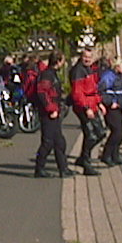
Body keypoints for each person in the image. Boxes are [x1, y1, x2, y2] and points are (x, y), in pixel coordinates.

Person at [32, 50, 72, 178]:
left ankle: (63, 169)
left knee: (59, 142)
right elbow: (42, 93)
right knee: (47, 142)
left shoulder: (51, 74)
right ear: (58, 61)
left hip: (53, 112)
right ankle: (39, 168)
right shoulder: (47, 75)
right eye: (62, 60)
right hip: (48, 114)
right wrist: (51, 109)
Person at [69, 47, 104, 176]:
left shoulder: (89, 69)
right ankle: (86, 163)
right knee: (91, 135)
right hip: (84, 107)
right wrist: (86, 108)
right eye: (85, 57)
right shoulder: (78, 71)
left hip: (92, 104)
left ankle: (83, 158)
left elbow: (93, 89)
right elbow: (77, 93)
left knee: (100, 133)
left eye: (89, 57)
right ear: (81, 57)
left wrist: (99, 103)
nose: (87, 59)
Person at [97, 57, 122, 166]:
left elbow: (119, 92)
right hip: (111, 109)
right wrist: (110, 102)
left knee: (120, 133)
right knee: (116, 132)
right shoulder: (108, 76)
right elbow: (101, 91)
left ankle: (115, 156)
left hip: (119, 108)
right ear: (117, 66)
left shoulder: (119, 76)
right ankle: (106, 155)